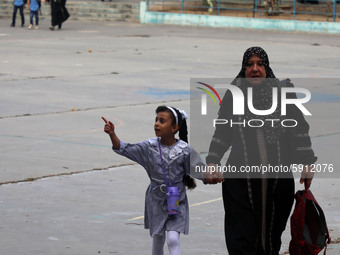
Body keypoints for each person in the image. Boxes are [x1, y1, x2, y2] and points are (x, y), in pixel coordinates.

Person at [205, 46, 317, 255]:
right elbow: (223, 132)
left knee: (271, 239)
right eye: (249, 64)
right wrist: (213, 161)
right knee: (241, 239)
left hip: (277, 185)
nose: (255, 69)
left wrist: (307, 163)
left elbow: (299, 128)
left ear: (267, 68)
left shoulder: (283, 94)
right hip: (240, 185)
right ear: (243, 68)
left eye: (260, 64)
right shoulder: (234, 96)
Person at [102, 106, 222, 255]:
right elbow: (125, 148)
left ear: (174, 128)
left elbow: (199, 170)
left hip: (176, 198)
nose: (157, 124)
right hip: (155, 200)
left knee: (173, 239)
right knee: (158, 238)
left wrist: (212, 177)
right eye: (156, 120)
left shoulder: (184, 150)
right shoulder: (149, 147)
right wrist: (112, 134)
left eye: (162, 121)